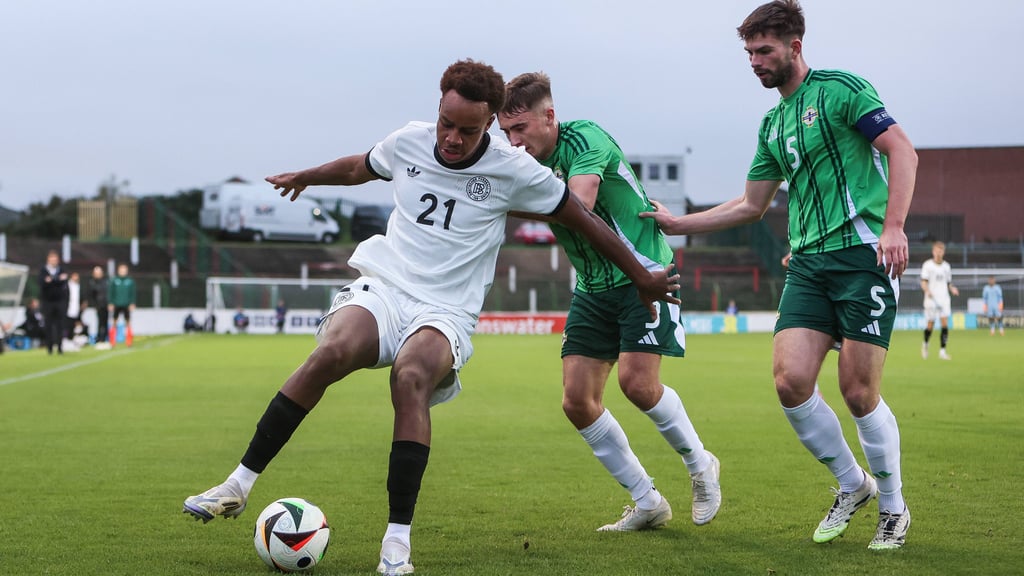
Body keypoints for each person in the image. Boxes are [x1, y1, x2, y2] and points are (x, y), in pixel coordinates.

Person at [182, 59, 680, 575]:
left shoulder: (513, 170)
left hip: (447, 308)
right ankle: (237, 485)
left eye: (468, 130)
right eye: (446, 123)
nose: (452, 138)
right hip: (388, 285)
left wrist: (642, 274)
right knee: (332, 351)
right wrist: (307, 176)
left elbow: (584, 219)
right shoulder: (410, 141)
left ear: (489, 125)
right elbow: (359, 167)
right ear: (438, 108)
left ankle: (397, 541)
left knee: (412, 376)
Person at [641, 0, 916, 550]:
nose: (754, 62)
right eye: (748, 53)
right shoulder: (772, 123)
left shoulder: (841, 90)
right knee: (790, 383)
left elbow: (902, 151)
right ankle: (852, 485)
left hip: (863, 256)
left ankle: (893, 506)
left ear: (795, 46)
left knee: (858, 391)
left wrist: (894, 227)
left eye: (763, 50)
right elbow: (750, 205)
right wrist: (678, 223)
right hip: (808, 264)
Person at [497, 72, 720, 532]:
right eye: (505, 132)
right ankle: (647, 500)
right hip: (593, 286)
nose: (513, 141)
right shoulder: (525, 161)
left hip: (646, 274)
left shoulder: (586, 139)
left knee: (638, 384)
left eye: (520, 128)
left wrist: (500, 199)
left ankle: (700, 464)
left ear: (549, 116)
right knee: (577, 401)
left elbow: (578, 203)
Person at [920, 241, 959, 359]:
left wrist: (952, 289)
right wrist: (927, 290)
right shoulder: (927, 265)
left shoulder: (946, 266)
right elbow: (923, 282)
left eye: (940, 251)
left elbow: (948, 283)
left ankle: (942, 351)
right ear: (933, 251)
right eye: (937, 250)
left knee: (944, 324)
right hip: (931, 300)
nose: (938, 253)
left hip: (944, 299)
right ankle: (925, 344)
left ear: (943, 252)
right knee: (930, 325)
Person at [39, 250, 69, 355]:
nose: (54, 261)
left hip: (59, 302)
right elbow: (43, 283)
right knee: (48, 325)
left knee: (60, 325)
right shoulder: (43, 270)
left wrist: (51, 280)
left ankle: (60, 347)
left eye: (55, 259)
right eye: (52, 259)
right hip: (48, 302)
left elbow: (63, 282)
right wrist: (57, 280)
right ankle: (50, 347)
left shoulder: (61, 269)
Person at [108, 263, 136, 347]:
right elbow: (111, 292)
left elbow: (133, 293)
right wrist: (111, 303)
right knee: (114, 322)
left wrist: (132, 302)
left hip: (126, 304)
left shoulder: (130, 281)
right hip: (117, 304)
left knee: (128, 322)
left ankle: (129, 341)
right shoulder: (114, 280)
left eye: (124, 270)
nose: (123, 272)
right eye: (121, 270)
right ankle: (112, 341)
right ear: (118, 271)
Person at [88, 265, 110, 345]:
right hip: (98, 305)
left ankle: (105, 338)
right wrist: (94, 304)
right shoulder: (92, 282)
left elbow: (108, 293)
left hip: (105, 304)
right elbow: (91, 295)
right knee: (100, 322)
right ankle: (99, 338)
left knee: (105, 322)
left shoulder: (106, 281)